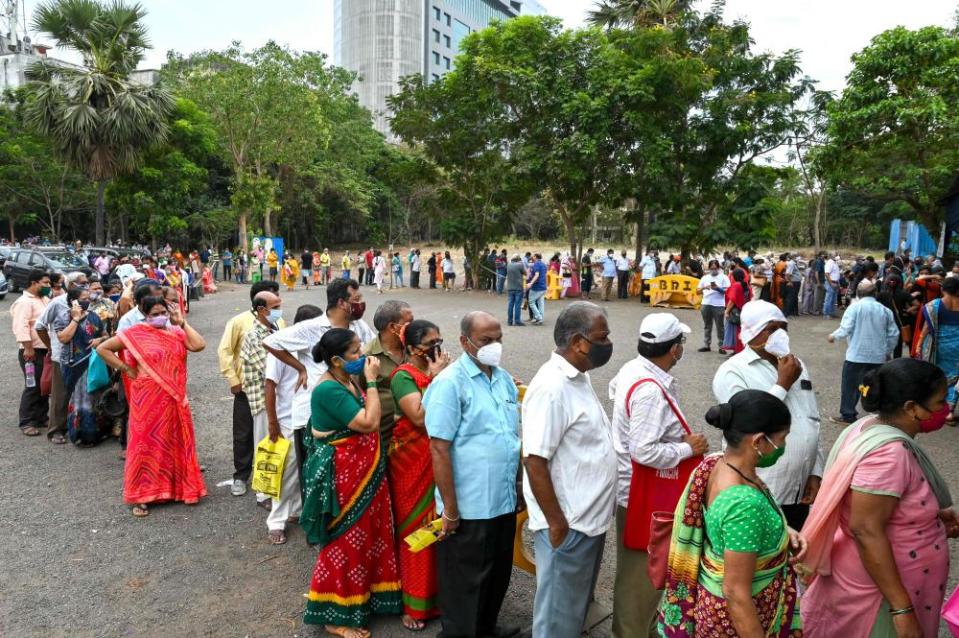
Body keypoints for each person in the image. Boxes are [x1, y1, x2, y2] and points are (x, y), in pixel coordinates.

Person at [800, 359, 958, 638]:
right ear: (911, 408)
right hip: (879, 593)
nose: (945, 410)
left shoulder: (867, 426)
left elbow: (884, 505)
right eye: (939, 402)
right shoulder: (888, 454)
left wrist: (926, 519)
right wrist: (902, 610)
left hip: (877, 579)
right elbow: (866, 529)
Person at [658, 390, 804, 637]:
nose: (783, 446)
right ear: (758, 441)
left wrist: (781, 531)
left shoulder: (715, 463)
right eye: (782, 438)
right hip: (738, 622)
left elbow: (731, 531)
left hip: (712, 608)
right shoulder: (744, 505)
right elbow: (736, 593)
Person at [608, 313, 708, 637]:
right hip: (644, 493)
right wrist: (687, 449)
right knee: (641, 580)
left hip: (636, 489)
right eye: (681, 343)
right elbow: (644, 451)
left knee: (644, 575)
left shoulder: (633, 369)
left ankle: (643, 629)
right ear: (674, 349)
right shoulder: (650, 390)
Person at [422, 311, 521, 638]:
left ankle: (486, 628)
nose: (494, 346)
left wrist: (517, 488)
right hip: (468, 507)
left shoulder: (503, 379)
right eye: (486, 341)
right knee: (465, 582)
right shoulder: (450, 383)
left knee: (496, 574)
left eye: (498, 339)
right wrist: (449, 509)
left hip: (502, 502)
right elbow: (439, 448)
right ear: (465, 342)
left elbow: (510, 437)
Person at [523, 303, 616, 638]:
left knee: (572, 609)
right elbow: (534, 460)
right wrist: (557, 522)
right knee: (557, 617)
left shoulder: (578, 377)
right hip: (569, 522)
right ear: (579, 342)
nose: (608, 342)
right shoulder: (552, 387)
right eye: (602, 337)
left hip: (586, 518)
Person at [301, 328, 402, 632]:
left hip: (363, 471)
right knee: (347, 541)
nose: (364, 356)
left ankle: (369, 597)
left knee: (371, 533)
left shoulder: (345, 379)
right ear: (336, 360)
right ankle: (336, 615)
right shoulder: (328, 389)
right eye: (356, 352)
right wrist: (371, 381)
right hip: (345, 477)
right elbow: (369, 422)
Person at [713, 300, 824, 531]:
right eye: (772, 329)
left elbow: (811, 420)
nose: (780, 335)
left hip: (798, 488)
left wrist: (815, 471)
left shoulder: (796, 364)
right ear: (753, 332)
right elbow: (748, 420)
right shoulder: (733, 370)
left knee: (792, 557)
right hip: (760, 486)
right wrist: (782, 383)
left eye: (784, 328)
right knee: (760, 556)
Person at [96, 295, 207, 517]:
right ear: (145, 315)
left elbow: (199, 345)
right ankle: (141, 496)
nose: (160, 317)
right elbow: (103, 349)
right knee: (145, 443)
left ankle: (177, 489)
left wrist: (181, 321)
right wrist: (126, 369)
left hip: (174, 397)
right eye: (155, 314)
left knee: (174, 439)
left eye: (163, 312)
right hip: (147, 397)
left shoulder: (175, 332)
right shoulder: (134, 333)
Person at [263, 279, 376, 457]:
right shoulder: (311, 327)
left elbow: (372, 349)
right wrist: (300, 368)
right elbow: (270, 342)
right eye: (356, 299)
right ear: (342, 303)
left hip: (348, 412)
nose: (361, 304)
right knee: (315, 473)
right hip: (312, 417)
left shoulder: (358, 326)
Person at [387, 319, 451, 630]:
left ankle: (438, 597)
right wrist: (437, 378)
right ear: (412, 349)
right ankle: (412, 604)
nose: (437, 347)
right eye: (431, 342)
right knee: (415, 528)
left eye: (439, 339)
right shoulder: (403, 376)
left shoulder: (439, 369)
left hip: (440, 459)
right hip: (411, 463)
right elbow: (420, 416)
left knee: (441, 526)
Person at [263, 304, 323, 545]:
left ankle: (297, 510)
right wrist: (272, 422)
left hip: (309, 416)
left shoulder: (315, 348)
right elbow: (270, 386)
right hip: (287, 419)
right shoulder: (280, 349)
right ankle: (276, 521)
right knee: (287, 472)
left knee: (306, 469)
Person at [217, 281, 284, 497]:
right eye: (274, 302)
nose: (278, 308)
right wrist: (233, 379)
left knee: (266, 433)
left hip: (273, 389)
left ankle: (267, 478)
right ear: (259, 304)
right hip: (248, 386)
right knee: (243, 432)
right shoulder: (239, 322)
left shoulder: (279, 321)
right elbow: (225, 351)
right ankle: (241, 476)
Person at [827, 279, 900, 425]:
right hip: (877, 357)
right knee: (875, 386)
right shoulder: (885, 310)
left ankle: (848, 416)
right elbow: (893, 334)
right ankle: (879, 417)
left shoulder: (854, 308)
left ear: (858, 294)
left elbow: (846, 328)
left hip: (856, 356)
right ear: (875, 293)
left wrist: (833, 336)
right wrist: (887, 351)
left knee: (850, 387)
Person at [240, 291, 283, 511]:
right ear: (261, 310)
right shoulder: (254, 335)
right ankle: (263, 494)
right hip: (262, 398)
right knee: (265, 444)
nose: (279, 309)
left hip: (275, 397)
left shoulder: (273, 329)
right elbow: (268, 370)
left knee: (274, 444)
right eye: (275, 307)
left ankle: (272, 488)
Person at [34, 272, 89, 444]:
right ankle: (56, 430)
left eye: (87, 283)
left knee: (81, 393)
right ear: (71, 285)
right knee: (61, 394)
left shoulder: (87, 301)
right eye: (82, 283)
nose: (86, 286)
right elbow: (40, 326)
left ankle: (77, 425)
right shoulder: (57, 304)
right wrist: (50, 347)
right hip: (62, 357)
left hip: (85, 355)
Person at [55, 287, 109, 446]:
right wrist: (76, 319)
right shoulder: (63, 316)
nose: (87, 301)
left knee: (94, 398)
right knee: (78, 400)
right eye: (83, 298)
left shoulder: (94, 316)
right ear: (73, 301)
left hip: (93, 363)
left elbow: (105, 335)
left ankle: (95, 433)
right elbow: (64, 338)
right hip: (74, 365)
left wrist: (100, 340)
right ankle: (79, 435)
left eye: (88, 298)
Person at [362, 300, 413, 451]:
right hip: (382, 439)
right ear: (392, 327)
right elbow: (359, 395)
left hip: (412, 436)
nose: (414, 327)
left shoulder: (415, 349)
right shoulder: (367, 356)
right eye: (409, 323)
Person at [11, 270, 51, 436]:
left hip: (45, 350)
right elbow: (21, 327)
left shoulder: (44, 299)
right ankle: (27, 421)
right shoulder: (24, 302)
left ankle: (41, 417)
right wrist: (28, 348)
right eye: (45, 283)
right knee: (33, 386)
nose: (48, 286)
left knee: (44, 386)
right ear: (34, 283)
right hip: (32, 351)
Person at [913, 275, 959, 411]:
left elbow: (927, 326)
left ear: (943, 289)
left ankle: (937, 404)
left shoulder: (935, 305)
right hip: (957, 347)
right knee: (956, 375)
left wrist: (920, 343)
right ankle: (950, 410)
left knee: (938, 373)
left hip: (938, 346)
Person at [696, 259, 729, 353]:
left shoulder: (724, 277)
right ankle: (707, 345)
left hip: (719, 304)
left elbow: (728, 292)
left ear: (718, 268)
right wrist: (704, 287)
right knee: (707, 325)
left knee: (720, 326)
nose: (713, 270)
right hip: (706, 303)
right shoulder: (705, 278)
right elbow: (697, 292)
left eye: (715, 268)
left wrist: (718, 289)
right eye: (711, 268)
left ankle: (722, 346)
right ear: (709, 268)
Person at [527, 253, 548, 326]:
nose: (532, 257)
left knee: (531, 302)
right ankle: (540, 317)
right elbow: (545, 276)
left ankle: (538, 317)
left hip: (537, 287)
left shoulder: (536, 264)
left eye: (533, 256)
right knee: (540, 303)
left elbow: (537, 275)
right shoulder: (543, 264)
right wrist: (547, 286)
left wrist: (531, 283)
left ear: (535, 257)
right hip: (543, 287)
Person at [506, 254, 526, 327]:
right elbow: (525, 273)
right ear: (518, 259)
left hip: (510, 287)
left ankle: (509, 321)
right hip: (518, 288)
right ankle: (517, 321)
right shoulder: (520, 265)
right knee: (517, 305)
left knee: (510, 304)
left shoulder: (508, 265)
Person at [823, 252, 841, 319]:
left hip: (835, 282)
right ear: (831, 256)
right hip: (831, 283)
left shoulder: (835, 262)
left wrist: (838, 283)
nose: (837, 256)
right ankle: (826, 314)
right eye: (835, 255)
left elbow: (836, 274)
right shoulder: (829, 263)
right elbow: (827, 274)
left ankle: (832, 313)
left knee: (834, 299)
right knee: (828, 299)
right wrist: (831, 283)